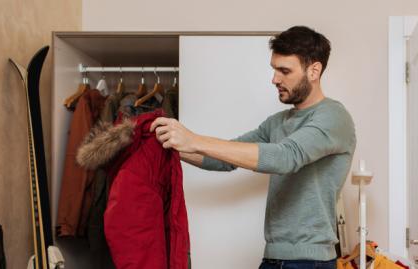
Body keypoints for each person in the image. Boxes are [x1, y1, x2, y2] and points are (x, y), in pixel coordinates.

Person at [149, 25, 356, 269]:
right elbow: (224, 157)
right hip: (273, 258)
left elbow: (285, 157)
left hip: (309, 261)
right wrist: (172, 146)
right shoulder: (278, 122)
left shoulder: (333, 116)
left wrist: (193, 139)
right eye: (274, 69)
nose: (275, 79)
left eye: (284, 70)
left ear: (314, 70)